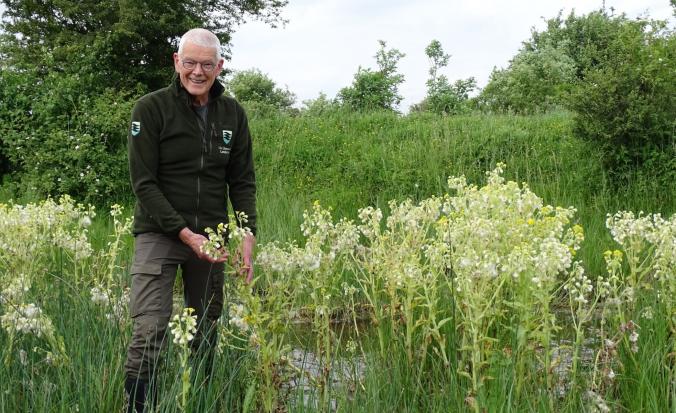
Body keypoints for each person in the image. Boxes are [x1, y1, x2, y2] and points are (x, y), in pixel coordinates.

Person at [124, 28, 257, 412]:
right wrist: (184, 233)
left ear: (220, 66)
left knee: (206, 330)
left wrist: (246, 233)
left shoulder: (233, 113)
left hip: (211, 238)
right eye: (190, 62)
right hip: (160, 232)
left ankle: (199, 402)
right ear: (176, 61)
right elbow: (143, 184)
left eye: (207, 64)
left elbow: (242, 180)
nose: (198, 71)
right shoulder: (150, 110)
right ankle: (136, 406)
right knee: (150, 329)